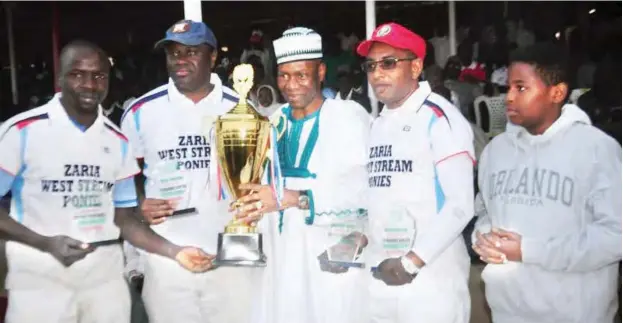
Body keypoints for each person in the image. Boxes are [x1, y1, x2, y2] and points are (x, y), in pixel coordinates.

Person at [0, 40, 212, 323]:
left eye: (99, 75)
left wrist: (175, 251)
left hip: (104, 285)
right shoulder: (22, 132)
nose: (90, 84)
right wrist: (44, 242)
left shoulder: (118, 142)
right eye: (78, 74)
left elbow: (124, 219)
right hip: (42, 283)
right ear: (61, 77)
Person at [472, 42, 622, 323]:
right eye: (508, 88)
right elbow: (484, 212)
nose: (509, 98)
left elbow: (615, 236)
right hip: (508, 311)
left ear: (557, 92)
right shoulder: (496, 151)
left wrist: (530, 251)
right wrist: (483, 238)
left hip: (574, 314)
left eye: (521, 88)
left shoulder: (597, 150)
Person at [120, 20, 257, 323]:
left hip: (231, 255)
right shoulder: (141, 112)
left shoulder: (242, 109)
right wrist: (139, 201)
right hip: (168, 258)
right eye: (174, 53)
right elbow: (123, 179)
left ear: (212, 58)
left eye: (191, 52)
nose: (180, 60)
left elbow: (258, 177)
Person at [235, 26, 372, 323]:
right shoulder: (273, 121)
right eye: (284, 75)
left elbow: (367, 191)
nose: (290, 84)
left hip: (331, 250)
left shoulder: (348, 117)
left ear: (320, 71)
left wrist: (297, 198)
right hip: (280, 255)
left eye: (301, 75)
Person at [357, 23, 475, 323]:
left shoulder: (439, 117)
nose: (377, 73)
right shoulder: (378, 124)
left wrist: (412, 261)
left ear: (416, 66)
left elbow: (460, 205)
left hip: (429, 280)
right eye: (371, 66)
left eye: (389, 63)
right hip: (382, 276)